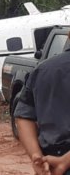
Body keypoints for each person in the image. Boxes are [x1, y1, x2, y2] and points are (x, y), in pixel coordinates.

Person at [14, 31, 70, 175]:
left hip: (50, 165)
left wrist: (36, 156)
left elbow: (23, 117)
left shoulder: (42, 70)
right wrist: (64, 161)